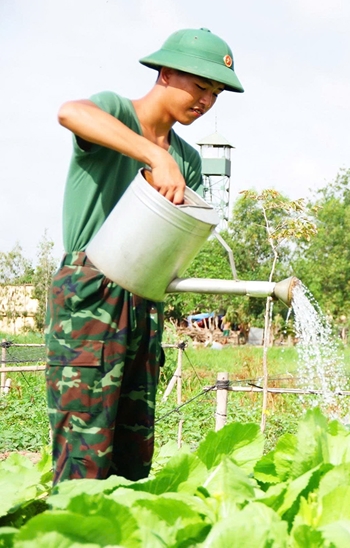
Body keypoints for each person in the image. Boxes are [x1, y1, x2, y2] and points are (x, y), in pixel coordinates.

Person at [45, 28, 243, 484]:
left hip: (145, 297)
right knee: (83, 457)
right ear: (166, 73)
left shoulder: (188, 159)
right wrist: (154, 156)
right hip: (90, 293)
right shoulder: (116, 112)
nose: (206, 101)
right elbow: (70, 112)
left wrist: (168, 160)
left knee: (132, 460)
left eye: (215, 94)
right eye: (200, 86)